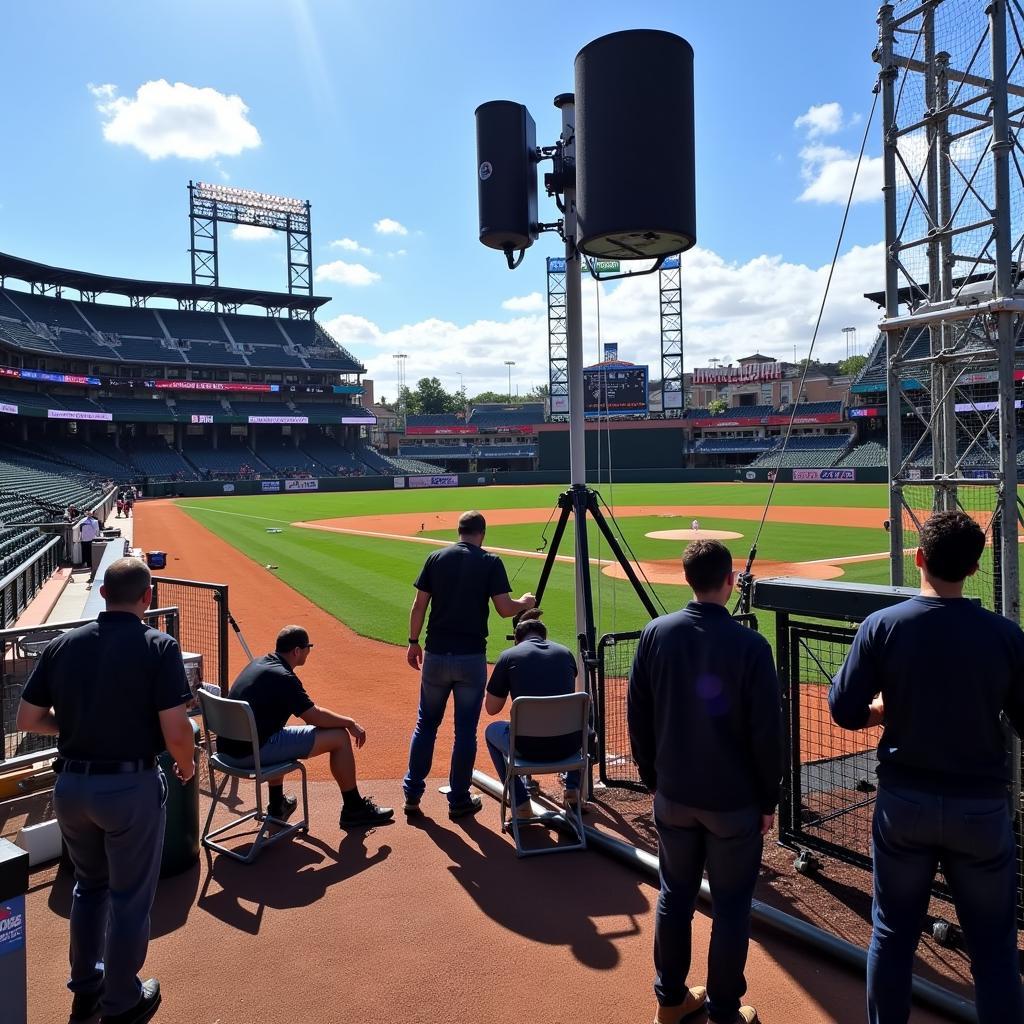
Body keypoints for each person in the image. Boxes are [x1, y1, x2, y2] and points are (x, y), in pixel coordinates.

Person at [829, 510, 1024, 1024]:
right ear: (976, 566)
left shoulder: (883, 626)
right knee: (995, 953)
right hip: (981, 809)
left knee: (893, 936)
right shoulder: (1005, 635)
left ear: (919, 557)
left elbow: (845, 710)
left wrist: (879, 711)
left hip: (904, 806)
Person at [16, 557, 195, 1024]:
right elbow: (177, 731)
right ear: (147, 597)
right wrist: (186, 764)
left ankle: (86, 987)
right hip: (129, 787)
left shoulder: (63, 644)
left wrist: (77, 728)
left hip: (71, 786)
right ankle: (121, 1002)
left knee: (88, 888)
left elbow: (28, 720)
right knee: (130, 897)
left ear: (103, 595)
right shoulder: (159, 644)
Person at [628, 540, 781, 1024]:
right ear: (730, 580)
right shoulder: (752, 646)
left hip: (673, 795)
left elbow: (638, 715)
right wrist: (768, 799)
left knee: (675, 896)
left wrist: (652, 777)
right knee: (732, 908)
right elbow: (767, 733)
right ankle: (723, 1011)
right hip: (732, 803)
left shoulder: (656, 633)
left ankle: (669, 1002)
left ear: (686, 578)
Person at [403, 510, 535, 819]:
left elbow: (418, 605)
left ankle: (412, 795)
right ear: (482, 534)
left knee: (426, 724)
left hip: (436, 655)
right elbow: (504, 609)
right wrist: (525, 604)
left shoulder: (436, 558)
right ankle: (459, 799)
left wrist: (412, 642)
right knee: (465, 731)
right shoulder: (490, 561)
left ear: (459, 531)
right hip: (470, 657)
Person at [217, 625, 393, 828]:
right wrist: (349, 722)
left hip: (226, 751)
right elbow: (314, 716)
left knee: (278, 732)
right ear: (297, 651)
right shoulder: (284, 677)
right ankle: (354, 808)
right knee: (339, 736)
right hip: (250, 755)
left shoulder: (258, 663)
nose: (309, 650)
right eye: (308, 646)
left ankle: (277, 806)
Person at [483, 609, 581, 816]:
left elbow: (492, 709)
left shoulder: (509, 656)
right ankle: (573, 790)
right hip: (569, 747)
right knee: (582, 720)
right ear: (544, 636)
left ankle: (520, 804)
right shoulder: (565, 653)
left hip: (527, 749)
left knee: (491, 731)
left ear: (517, 640)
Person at [80, 511, 100, 580]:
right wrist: (98, 536)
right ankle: (90, 566)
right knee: (90, 553)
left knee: (86, 553)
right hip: (91, 539)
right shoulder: (95, 522)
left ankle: (87, 564)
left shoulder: (82, 521)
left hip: (84, 540)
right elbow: (97, 531)